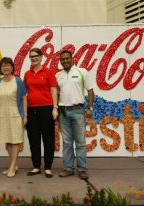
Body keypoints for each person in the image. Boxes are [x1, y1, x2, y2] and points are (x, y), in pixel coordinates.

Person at [56, 50, 94, 180]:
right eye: (62, 59)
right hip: (63, 112)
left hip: (78, 110)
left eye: (67, 58)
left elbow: (90, 91)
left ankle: (82, 169)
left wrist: (90, 108)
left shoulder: (81, 72)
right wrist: (56, 109)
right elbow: (56, 94)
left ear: (72, 59)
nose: (65, 61)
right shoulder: (58, 75)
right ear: (60, 61)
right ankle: (68, 168)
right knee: (67, 142)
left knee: (80, 142)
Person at [23, 48, 58, 178]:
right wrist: (24, 112)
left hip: (46, 108)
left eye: (36, 56)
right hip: (31, 110)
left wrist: (55, 108)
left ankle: (48, 167)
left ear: (41, 57)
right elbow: (24, 94)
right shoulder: (27, 74)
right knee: (33, 139)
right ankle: (36, 166)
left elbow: (54, 91)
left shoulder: (48, 72)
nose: (33, 58)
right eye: (31, 56)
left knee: (48, 139)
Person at [0, 57, 27, 178]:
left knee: (15, 141)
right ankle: (13, 165)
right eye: (3, 65)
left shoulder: (18, 81)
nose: (6, 67)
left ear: (12, 67)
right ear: (0, 68)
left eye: (8, 65)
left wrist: (24, 115)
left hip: (15, 114)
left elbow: (24, 97)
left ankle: (12, 166)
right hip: (2, 115)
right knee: (8, 141)